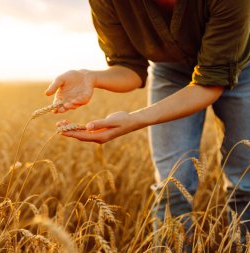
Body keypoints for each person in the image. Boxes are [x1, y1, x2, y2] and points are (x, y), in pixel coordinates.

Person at [45, 0, 250, 247]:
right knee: (172, 186)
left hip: (241, 66)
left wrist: (135, 119)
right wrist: (91, 77)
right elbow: (129, 68)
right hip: (170, 71)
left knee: (245, 180)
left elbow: (210, 82)